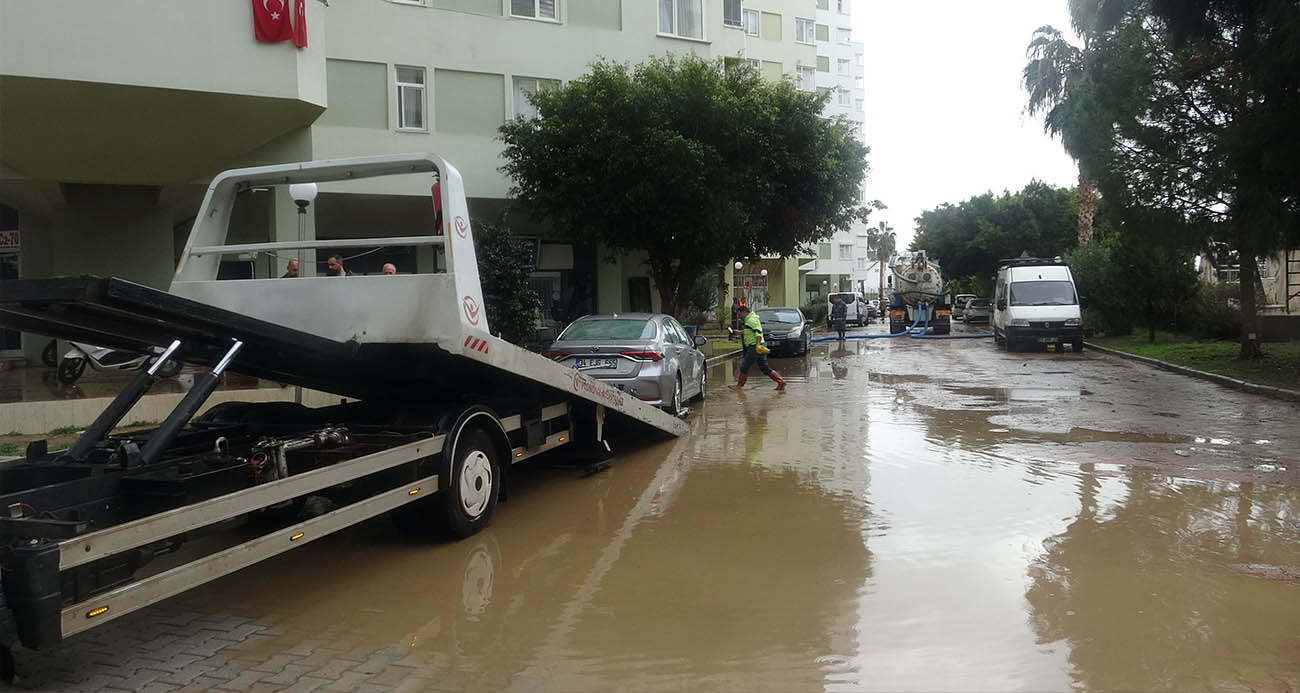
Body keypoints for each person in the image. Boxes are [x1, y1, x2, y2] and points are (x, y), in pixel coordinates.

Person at [728, 305, 786, 391]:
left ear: (745, 312)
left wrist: (757, 345)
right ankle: (780, 381)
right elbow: (750, 330)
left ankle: (739, 385)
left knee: (744, 366)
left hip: (755, 346)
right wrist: (740, 332)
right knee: (764, 368)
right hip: (759, 346)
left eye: (740, 315)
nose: (740, 317)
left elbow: (758, 332)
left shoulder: (751, 320)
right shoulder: (750, 320)